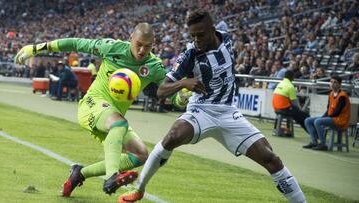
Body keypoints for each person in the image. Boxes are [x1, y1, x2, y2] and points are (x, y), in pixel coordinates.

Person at [119, 11, 306, 203]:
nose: (196, 39)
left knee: (271, 159)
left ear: (213, 30)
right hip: (201, 111)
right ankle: (139, 189)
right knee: (172, 137)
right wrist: (184, 83)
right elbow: (161, 91)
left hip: (229, 112)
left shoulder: (226, 39)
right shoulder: (189, 55)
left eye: (200, 34)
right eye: (192, 35)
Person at [15, 23, 167, 198]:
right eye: (138, 44)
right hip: (92, 105)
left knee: (140, 155)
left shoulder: (154, 66)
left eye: (147, 46)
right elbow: (75, 43)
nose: (142, 50)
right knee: (119, 123)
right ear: (131, 38)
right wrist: (36, 48)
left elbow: (171, 91)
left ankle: (80, 173)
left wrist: (182, 97)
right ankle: (112, 176)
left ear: (153, 44)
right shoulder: (112, 47)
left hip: (112, 119)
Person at [303, 75, 351, 151]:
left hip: (340, 120)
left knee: (318, 121)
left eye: (335, 82)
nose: (332, 84)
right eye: (331, 82)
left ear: (339, 84)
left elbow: (337, 112)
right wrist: (324, 116)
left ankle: (323, 144)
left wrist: (325, 118)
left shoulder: (343, 96)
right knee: (307, 120)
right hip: (332, 118)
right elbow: (328, 109)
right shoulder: (331, 94)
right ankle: (314, 142)